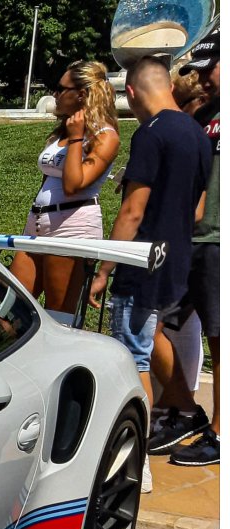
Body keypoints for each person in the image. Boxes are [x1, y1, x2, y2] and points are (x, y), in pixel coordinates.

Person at [89, 55, 212, 491]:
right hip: (176, 258)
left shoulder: (151, 133)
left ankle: (134, 462)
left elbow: (131, 210)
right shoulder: (199, 134)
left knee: (132, 357)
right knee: (149, 338)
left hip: (141, 262)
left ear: (133, 93)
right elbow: (196, 210)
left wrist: (105, 267)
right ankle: (184, 407)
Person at [153, 32, 220, 465]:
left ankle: (220, 433)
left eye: (211, 66)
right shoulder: (203, 113)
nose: (204, 77)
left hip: (217, 241)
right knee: (147, 323)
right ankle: (188, 410)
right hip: (185, 239)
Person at [9, 61, 121, 313]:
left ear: (81, 94)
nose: (55, 95)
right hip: (38, 225)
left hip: (73, 227)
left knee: (58, 315)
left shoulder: (105, 136)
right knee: (10, 308)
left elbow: (73, 185)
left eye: (61, 89)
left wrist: (77, 137)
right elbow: (48, 179)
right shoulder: (62, 131)